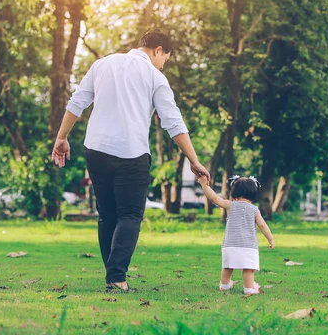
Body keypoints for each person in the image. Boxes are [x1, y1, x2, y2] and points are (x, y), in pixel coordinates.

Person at [50, 29, 210, 292]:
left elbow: (77, 102)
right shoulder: (154, 76)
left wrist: (61, 137)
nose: (163, 65)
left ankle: (113, 275)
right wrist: (193, 160)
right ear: (158, 50)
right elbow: (173, 122)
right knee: (130, 215)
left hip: (96, 149)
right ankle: (116, 277)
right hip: (131, 153)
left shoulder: (102, 64)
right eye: (165, 59)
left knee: (108, 215)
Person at [197, 174, 274, 295]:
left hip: (230, 244)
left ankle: (224, 285)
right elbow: (263, 225)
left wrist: (203, 184)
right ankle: (249, 289)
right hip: (249, 246)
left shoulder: (230, 205)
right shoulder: (254, 209)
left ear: (233, 192)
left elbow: (214, 199)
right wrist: (270, 239)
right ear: (253, 194)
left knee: (227, 267)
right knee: (248, 269)